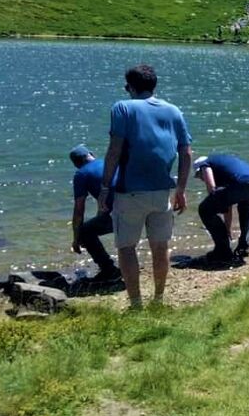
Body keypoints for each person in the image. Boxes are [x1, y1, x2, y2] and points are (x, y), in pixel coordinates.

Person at [99, 65, 192, 308]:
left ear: (130, 86)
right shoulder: (174, 111)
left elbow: (114, 151)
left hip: (129, 191)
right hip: (162, 192)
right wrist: (181, 189)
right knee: (160, 247)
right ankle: (159, 299)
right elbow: (186, 153)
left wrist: (105, 188)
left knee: (127, 247)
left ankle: (136, 304)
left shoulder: (122, 107)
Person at [192, 153, 249, 264]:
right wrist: (227, 228)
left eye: (199, 176)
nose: (201, 180)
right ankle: (243, 246)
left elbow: (212, 189)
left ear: (200, 170)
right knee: (244, 207)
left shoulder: (205, 164)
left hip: (243, 184)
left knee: (205, 209)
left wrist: (213, 198)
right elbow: (227, 205)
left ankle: (222, 251)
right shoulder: (222, 165)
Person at [68, 145, 122, 283]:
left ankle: (109, 270)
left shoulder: (81, 174)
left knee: (85, 231)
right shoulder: (109, 163)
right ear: (91, 154)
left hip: (119, 213)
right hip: (138, 206)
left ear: (76, 164)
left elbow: (79, 210)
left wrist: (76, 238)